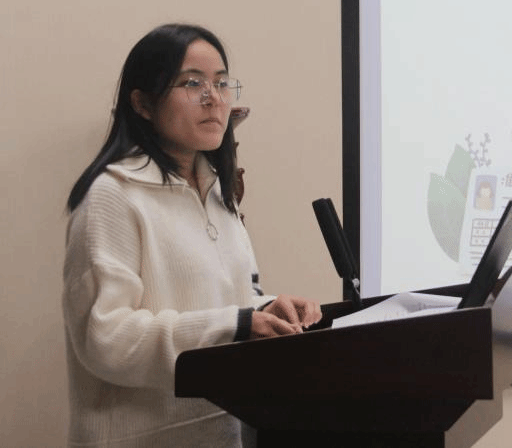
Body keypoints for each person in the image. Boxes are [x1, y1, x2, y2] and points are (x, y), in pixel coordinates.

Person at [62, 23, 322, 447]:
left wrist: (267, 309)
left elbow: (226, 300)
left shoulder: (219, 192)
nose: (213, 98)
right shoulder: (112, 195)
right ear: (143, 104)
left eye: (221, 83)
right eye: (191, 83)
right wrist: (237, 325)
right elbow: (106, 338)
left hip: (225, 431)